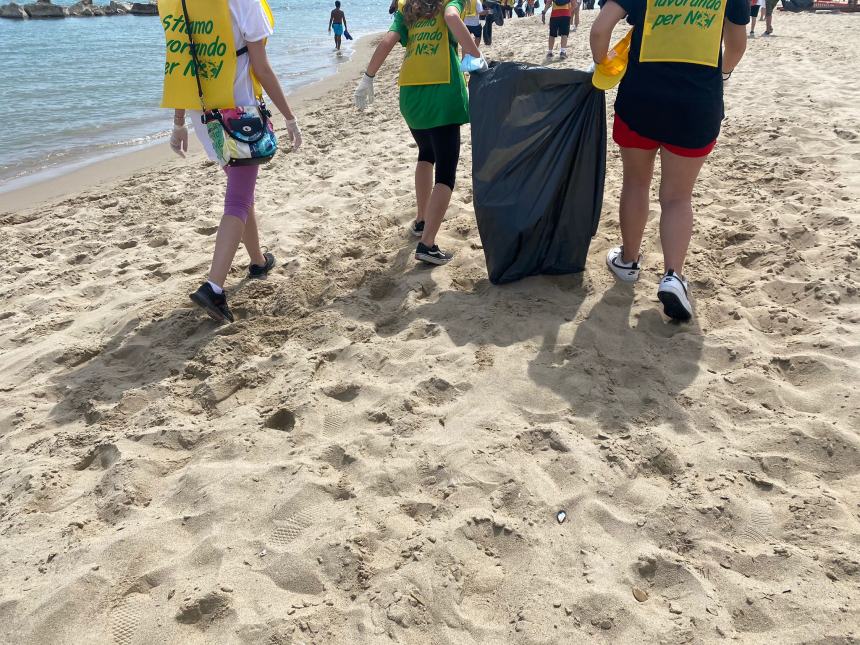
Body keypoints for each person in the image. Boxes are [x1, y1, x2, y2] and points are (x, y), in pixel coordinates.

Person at [590, 0, 748, 321]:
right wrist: (723, 73)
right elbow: (736, 44)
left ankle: (629, 261)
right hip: (697, 104)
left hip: (640, 99)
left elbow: (600, 29)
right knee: (677, 198)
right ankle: (673, 275)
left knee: (636, 182)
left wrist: (602, 63)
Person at [163, 0, 302, 323]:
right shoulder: (244, 3)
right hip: (239, 115)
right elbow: (261, 68)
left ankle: (257, 260)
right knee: (238, 198)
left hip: (203, 113)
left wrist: (180, 121)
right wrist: (290, 117)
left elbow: (181, 62)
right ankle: (214, 287)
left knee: (241, 187)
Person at [354, 0, 486, 266]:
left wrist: (368, 77)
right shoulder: (450, 2)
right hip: (442, 94)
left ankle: (421, 219)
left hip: (411, 96)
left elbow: (388, 41)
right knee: (446, 172)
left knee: (426, 153)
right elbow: (451, 17)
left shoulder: (407, 6)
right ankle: (427, 244)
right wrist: (476, 57)